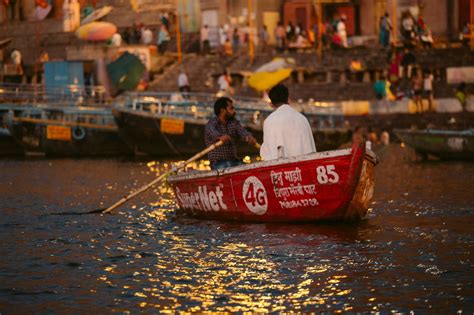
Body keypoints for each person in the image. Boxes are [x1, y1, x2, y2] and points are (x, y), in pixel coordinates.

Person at [260, 84, 316, 160]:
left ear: (271, 104)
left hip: (279, 170)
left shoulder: (268, 121)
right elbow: (310, 150)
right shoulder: (302, 119)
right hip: (302, 167)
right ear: (288, 99)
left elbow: (266, 154)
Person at [205, 97, 257, 169]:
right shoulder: (212, 123)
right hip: (218, 163)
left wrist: (249, 137)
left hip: (233, 160)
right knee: (228, 165)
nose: (234, 111)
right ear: (222, 110)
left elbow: (242, 131)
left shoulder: (234, 122)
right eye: (231, 108)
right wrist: (221, 137)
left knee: (249, 168)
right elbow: (212, 132)